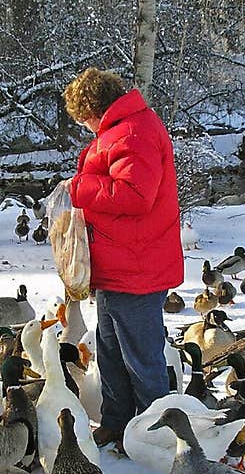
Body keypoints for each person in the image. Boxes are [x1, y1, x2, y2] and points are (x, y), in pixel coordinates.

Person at [63, 67, 183, 452]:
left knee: (143, 359)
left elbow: (135, 195)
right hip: (120, 266)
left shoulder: (134, 132)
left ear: (94, 108)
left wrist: (79, 187)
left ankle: (156, 435)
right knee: (111, 349)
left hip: (138, 268)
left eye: (84, 119)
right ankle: (118, 423)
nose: (86, 127)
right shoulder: (124, 129)